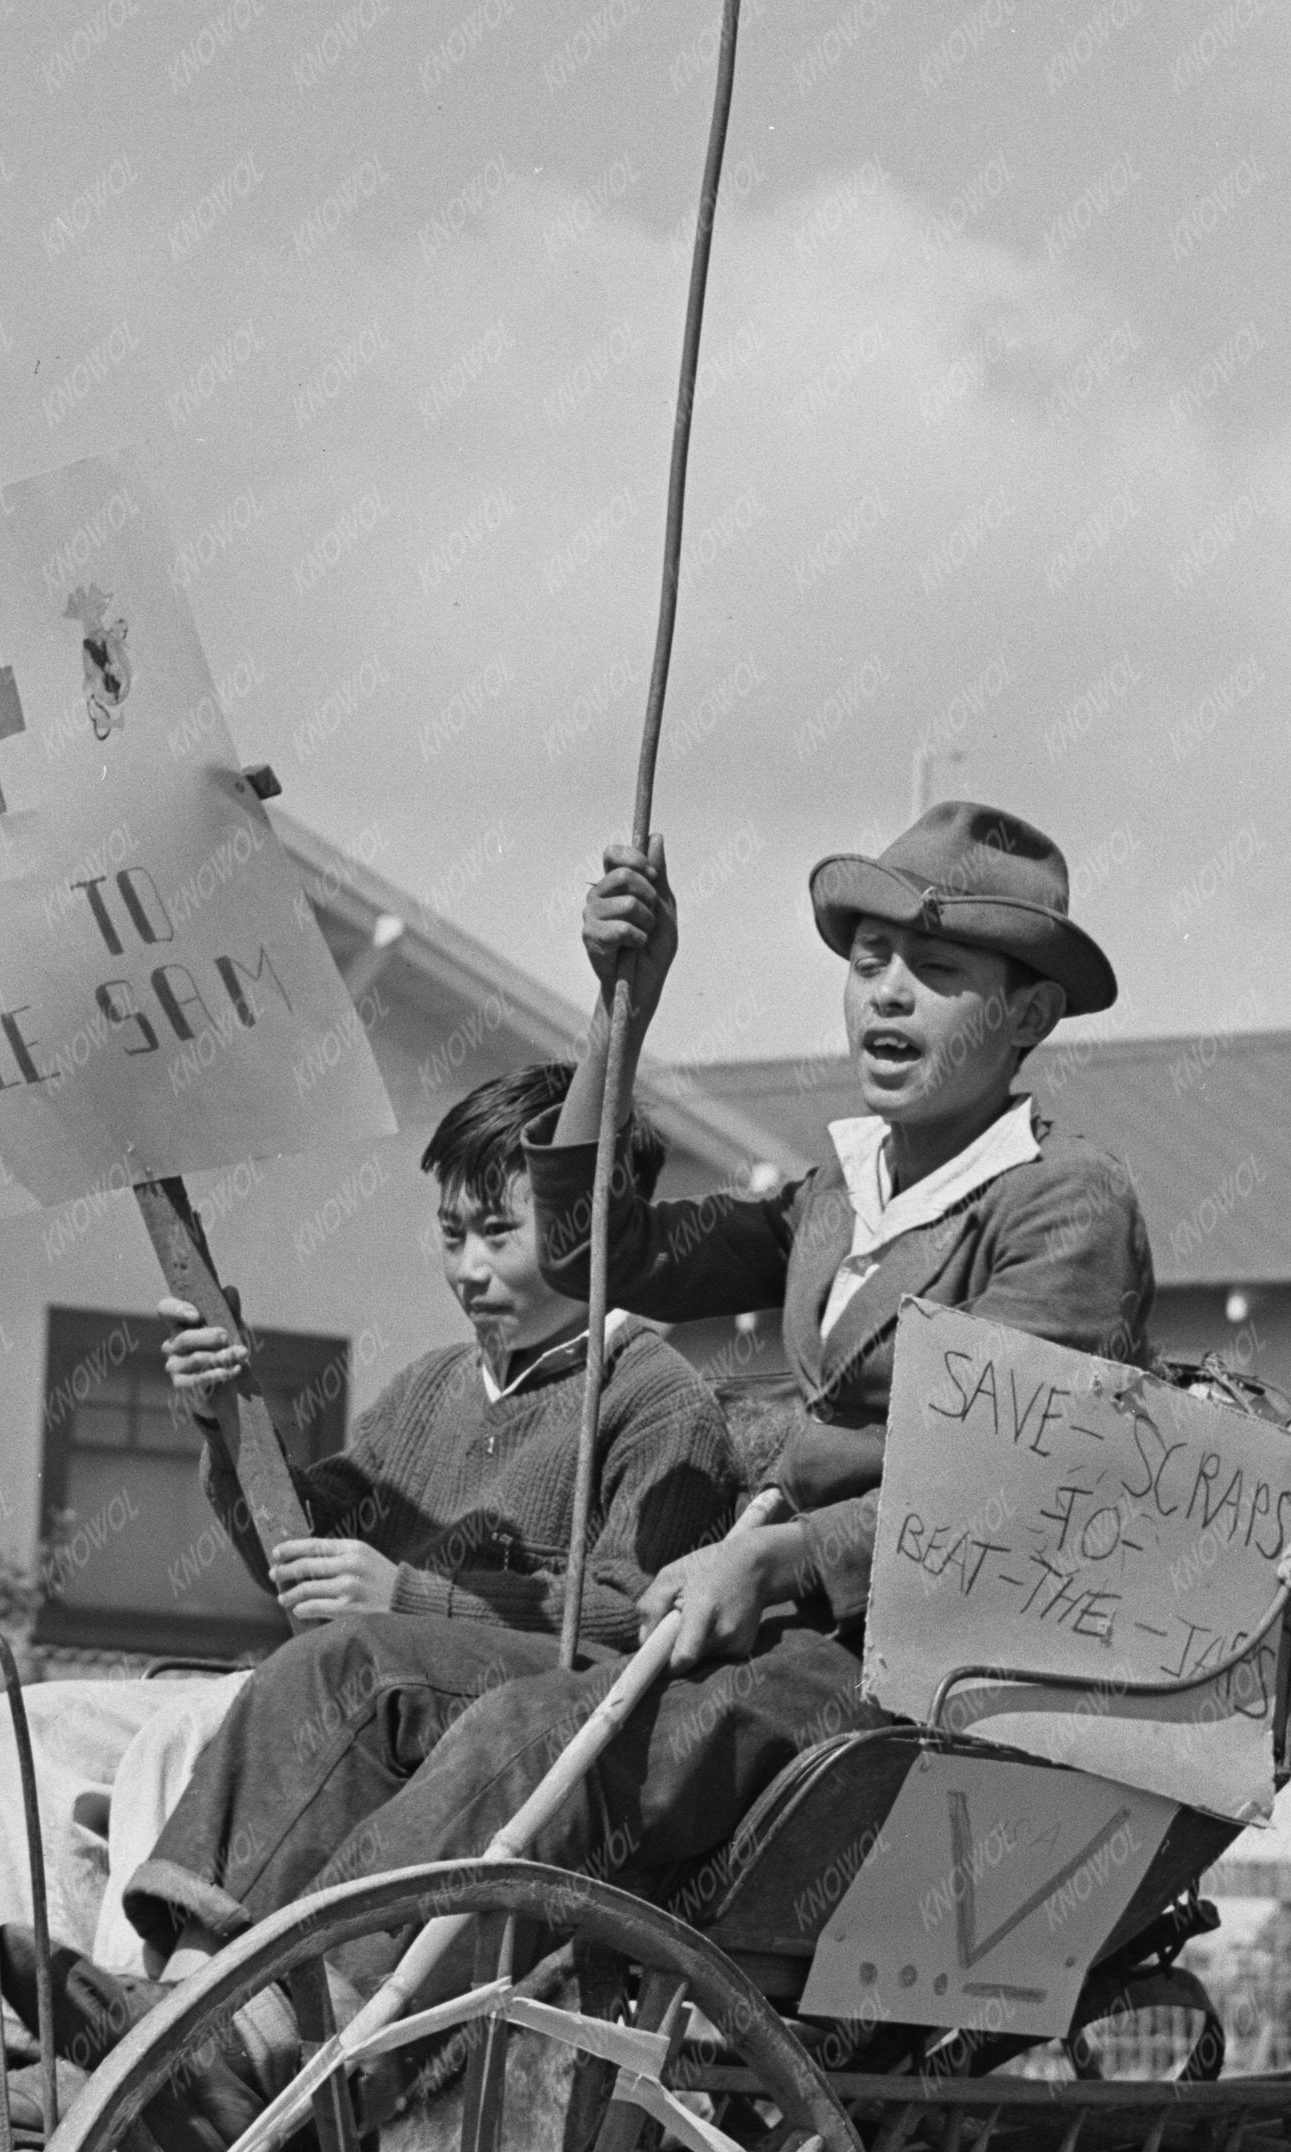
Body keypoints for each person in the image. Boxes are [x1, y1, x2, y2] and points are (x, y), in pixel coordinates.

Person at [300, 801, 1166, 1921]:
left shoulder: (1061, 1202)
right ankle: (187, 1979)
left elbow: (1016, 1491)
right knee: (355, 1666)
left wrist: (778, 1562)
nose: (887, 992)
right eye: (867, 963)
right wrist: (624, 1004)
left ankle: (264, 2041)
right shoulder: (834, 1197)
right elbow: (595, 1252)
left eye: (936, 968)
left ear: (1029, 1014)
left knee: (531, 1734)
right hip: (770, 1641)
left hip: (908, 1671)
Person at [123, 1065, 738, 1930]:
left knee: (182, 1738)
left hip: (482, 1747)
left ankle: (170, 1999)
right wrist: (224, 1419)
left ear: (597, 1230)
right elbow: (294, 1550)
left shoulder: (659, 1401)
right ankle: (52, 2018)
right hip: (345, 1701)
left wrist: (405, 1597)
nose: (469, 1269)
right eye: (451, 1235)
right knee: (47, 1725)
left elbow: (635, 1620)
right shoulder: (429, 1388)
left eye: (498, 1232)